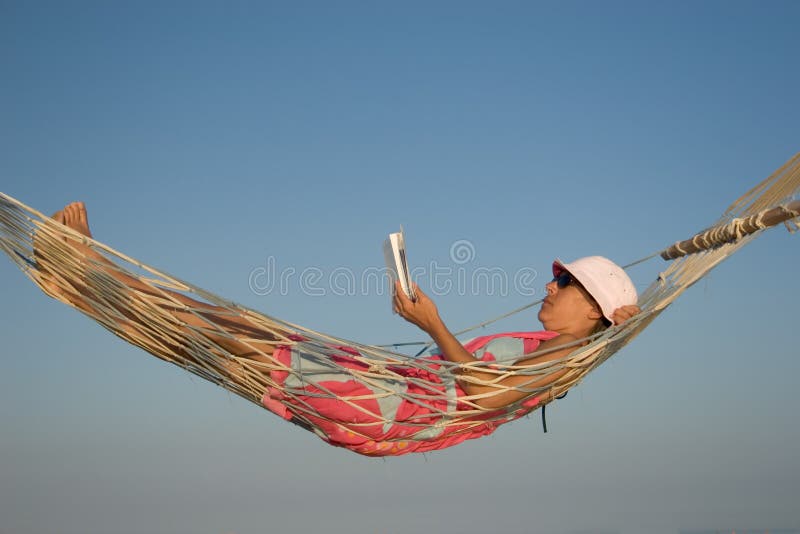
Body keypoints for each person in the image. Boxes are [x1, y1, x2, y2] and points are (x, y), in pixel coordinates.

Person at [35, 202, 640, 456]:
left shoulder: (559, 360)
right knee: (219, 333)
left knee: (227, 339)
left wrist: (434, 324)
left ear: (593, 311)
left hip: (385, 407)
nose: (550, 287)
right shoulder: (552, 350)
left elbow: (477, 396)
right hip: (385, 392)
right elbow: (473, 385)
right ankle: (90, 284)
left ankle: (91, 278)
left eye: (564, 284)